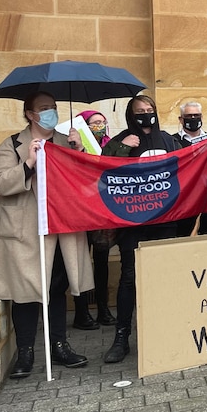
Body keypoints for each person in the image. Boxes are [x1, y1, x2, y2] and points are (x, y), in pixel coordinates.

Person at [0, 91, 92, 378]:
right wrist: (29, 163)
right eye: (44, 109)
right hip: (26, 231)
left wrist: (79, 151)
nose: (51, 113)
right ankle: (25, 353)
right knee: (25, 292)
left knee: (56, 286)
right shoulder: (13, 144)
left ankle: (59, 346)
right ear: (31, 114)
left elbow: (84, 180)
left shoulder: (64, 141)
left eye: (54, 108)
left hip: (59, 228)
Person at [102, 95, 181, 363]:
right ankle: (121, 338)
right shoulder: (119, 141)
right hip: (132, 223)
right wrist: (123, 149)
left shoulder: (169, 140)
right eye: (140, 111)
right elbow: (103, 173)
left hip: (165, 222)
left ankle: (166, 334)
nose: (145, 114)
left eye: (149, 110)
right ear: (130, 114)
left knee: (165, 278)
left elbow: (187, 168)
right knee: (128, 278)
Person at [74, 109, 118, 329]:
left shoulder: (111, 145)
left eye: (102, 122)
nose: (99, 125)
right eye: (94, 122)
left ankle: (103, 310)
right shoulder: (73, 145)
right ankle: (81, 312)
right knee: (79, 263)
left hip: (102, 213)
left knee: (101, 263)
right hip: (81, 212)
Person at [174, 101, 207, 236]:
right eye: (189, 115)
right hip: (183, 198)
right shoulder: (172, 141)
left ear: (201, 117)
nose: (193, 119)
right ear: (181, 119)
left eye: (196, 115)